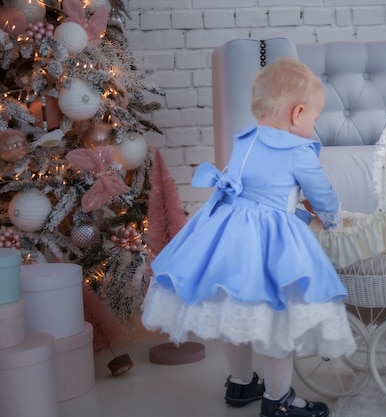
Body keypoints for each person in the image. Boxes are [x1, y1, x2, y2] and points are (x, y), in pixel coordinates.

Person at [141, 58, 356, 417]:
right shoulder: (298, 151)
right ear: (297, 113)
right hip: (268, 244)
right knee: (275, 322)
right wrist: (334, 221)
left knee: (237, 313)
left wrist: (296, 209)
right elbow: (323, 195)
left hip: (229, 234)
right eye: (314, 119)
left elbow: (259, 194)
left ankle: (241, 384)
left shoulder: (245, 138)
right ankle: (278, 400)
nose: (313, 127)